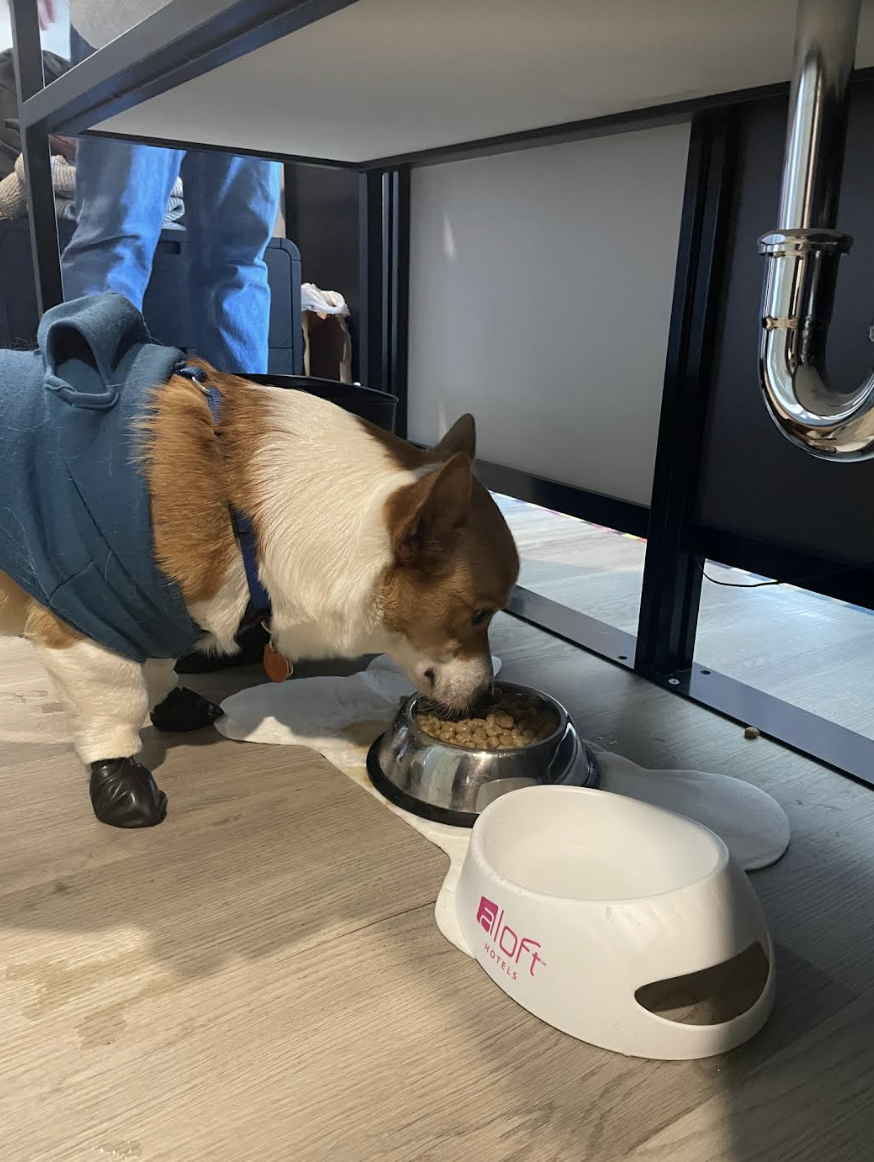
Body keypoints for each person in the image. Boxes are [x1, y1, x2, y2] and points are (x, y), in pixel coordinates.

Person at [36, 0, 282, 375]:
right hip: (127, 18)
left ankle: (236, 427)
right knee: (116, 235)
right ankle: (88, 421)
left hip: (252, 24)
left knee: (235, 253)